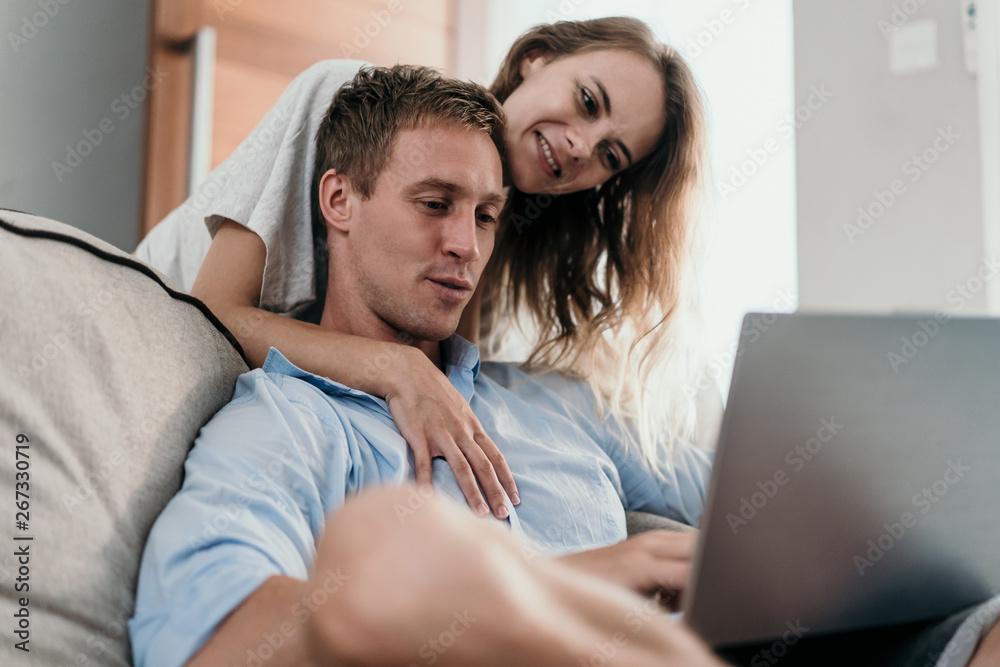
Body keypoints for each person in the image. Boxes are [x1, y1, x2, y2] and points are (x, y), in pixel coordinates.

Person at [129, 64, 717, 667]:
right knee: (380, 533)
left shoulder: (558, 405)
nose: (465, 245)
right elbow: (208, 638)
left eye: (487, 217)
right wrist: (557, 588)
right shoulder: (290, 423)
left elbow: (746, 491)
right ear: (338, 200)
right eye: (436, 204)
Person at [133, 17, 707, 522]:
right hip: (158, 365)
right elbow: (209, 320)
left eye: (611, 155)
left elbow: (452, 385)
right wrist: (397, 368)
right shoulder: (349, 104)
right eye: (588, 101)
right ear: (537, 58)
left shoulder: (487, 236)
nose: (584, 146)